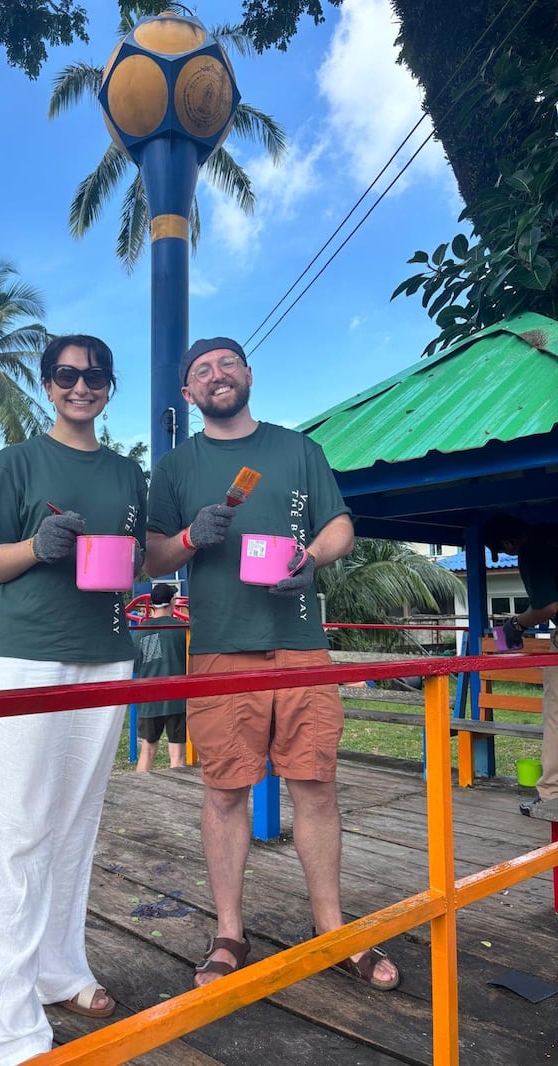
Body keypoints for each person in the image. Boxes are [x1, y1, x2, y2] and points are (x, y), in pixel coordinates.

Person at [145, 336, 400, 991]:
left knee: (315, 786)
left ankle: (332, 929)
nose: (217, 375)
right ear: (188, 393)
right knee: (225, 791)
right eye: (201, 370)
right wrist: (187, 538)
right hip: (220, 649)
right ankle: (229, 932)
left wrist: (310, 559)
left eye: (227, 363)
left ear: (249, 374)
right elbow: (151, 560)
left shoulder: (298, 450)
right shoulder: (176, 468)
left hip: (301, 643)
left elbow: (340, 527)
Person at [0, 334, 147, 1065]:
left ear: (109, 385)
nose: (82, 386)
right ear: (47, 385)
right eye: (67, 375)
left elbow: (139, 558)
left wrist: (193, 539)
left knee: (74, 823)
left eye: (95, 375)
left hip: (106, 656)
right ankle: (3, 1027)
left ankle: (57, 969)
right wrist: (38, 546)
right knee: (13, 830)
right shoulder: (15, 462)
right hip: (24, 657)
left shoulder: (129, 473)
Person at [483, 513, 558, 819]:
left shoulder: (533, 550)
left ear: (509, 541)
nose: (508, 555)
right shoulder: (551, 533)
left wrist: (515, 623)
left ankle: (552, 793)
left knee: (556, 713)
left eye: (505, 551)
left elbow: (547, 606)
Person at [133, 582, 188, 771]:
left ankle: (138, 791)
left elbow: (136, 663)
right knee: (177, 754)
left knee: (147, 751)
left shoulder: (140, 632)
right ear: (173, 601)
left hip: (149, 698)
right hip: (178, 698)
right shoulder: (183, 629)